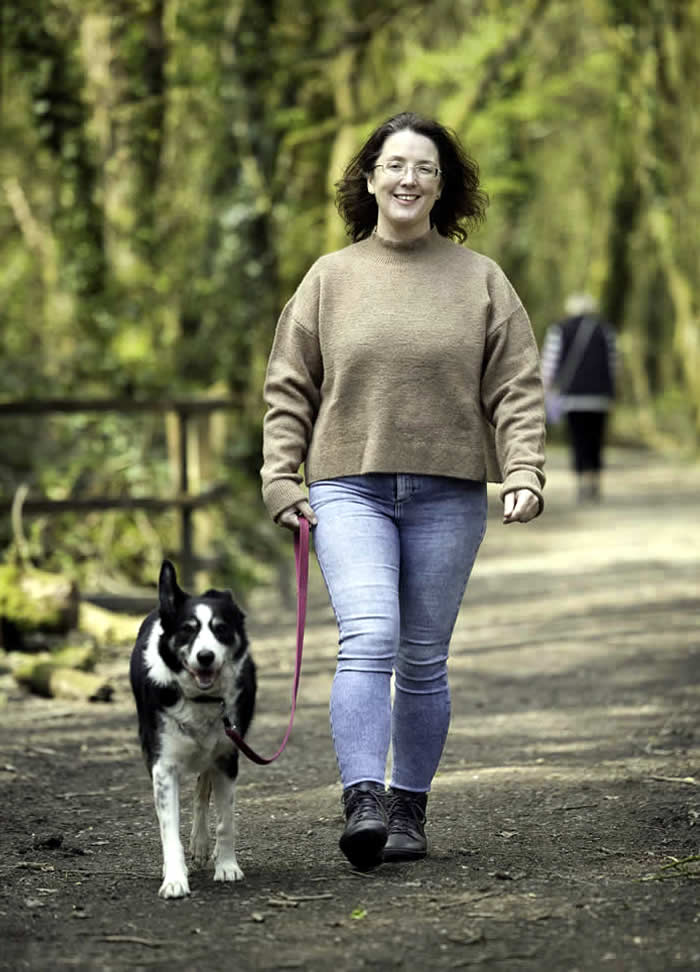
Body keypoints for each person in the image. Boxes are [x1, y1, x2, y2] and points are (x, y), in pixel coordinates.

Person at [260, 111, 546, 871]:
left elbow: (516, 386)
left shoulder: (481, 279)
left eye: (424, 167)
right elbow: (291, 385)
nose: (408, 179)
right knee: (370, 636)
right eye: (394, 165)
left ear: (442, 186)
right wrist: (279, 475)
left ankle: (409, 808)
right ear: (370, 178)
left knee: (422, 658)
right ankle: (364, 803)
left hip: (449, 489)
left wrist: (523, 469)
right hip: (347, 484)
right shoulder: (329, 277)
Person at [541, 294, 617, 502]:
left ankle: (582, 481)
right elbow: (612, 364)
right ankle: (594, 479)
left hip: (572, 396)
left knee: (578, 438)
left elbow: (549, 363)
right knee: (596, 438)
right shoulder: (605, 330)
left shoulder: (559, 329)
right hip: (600, 397)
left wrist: (546, 390)